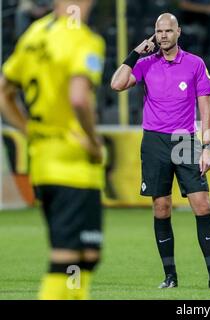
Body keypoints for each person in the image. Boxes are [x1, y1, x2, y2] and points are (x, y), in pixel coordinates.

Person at [111, 13, 210, 290]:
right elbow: (116, 84)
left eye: (168, 30)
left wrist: (208, 147)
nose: (163, 35)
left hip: (185, 140)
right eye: (158, 31)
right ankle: (170, 276)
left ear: (179, 32)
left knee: (202, 205)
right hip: (154, 142)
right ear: (154, 34)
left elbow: (206, 109)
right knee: (162, 208)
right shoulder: (145, 64)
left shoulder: (195, 64)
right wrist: (134, 53)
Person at [0, 0, 105, 300]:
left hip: (44, 163)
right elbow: (79, 99)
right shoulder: (84, 40)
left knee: (85, 256)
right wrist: (94, 142)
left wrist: (30, 132)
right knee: (66, 260)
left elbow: (4, 91)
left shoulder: (34, 35)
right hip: (73, 166)